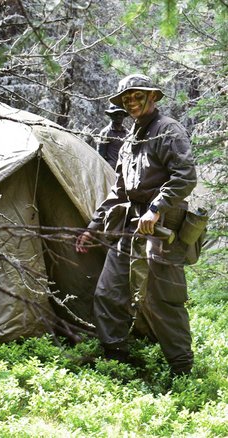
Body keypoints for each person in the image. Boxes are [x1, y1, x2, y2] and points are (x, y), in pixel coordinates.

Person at [76, 73, 197, 376]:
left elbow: (185, 176)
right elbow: (119, 189)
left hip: (160, 225)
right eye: (126, 98)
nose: (131, 102)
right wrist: (94, 224)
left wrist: (156, 208)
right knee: (108, 292)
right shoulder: (131, 136)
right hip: (130, 226)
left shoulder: (168, 130)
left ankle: (182, 370)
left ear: (152, 97)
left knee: (163, 300)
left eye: (137, 96)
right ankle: (117, 359)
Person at [96, 104, 129, 169]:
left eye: (121, 114)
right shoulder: (106, 132)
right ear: (111, 116)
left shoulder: (127, 133)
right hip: (110, 169)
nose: (119, 116)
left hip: (125, 168)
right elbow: (100, 155)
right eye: (116, 114)